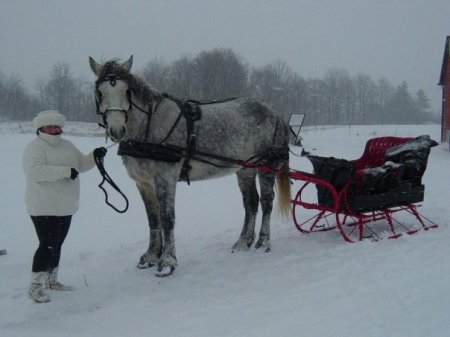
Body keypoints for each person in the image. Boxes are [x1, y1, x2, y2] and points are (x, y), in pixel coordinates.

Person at [22, 110, 107, 303]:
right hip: (42, 206)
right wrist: (64, 172)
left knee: (57, 244)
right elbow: (35, 171)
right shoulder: (35, 147)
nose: (53, 129)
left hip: (65, 206)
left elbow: (81, 165)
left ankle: (52, 281)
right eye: (49, 126)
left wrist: (94, 155)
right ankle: (35, 287)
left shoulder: (67, 146)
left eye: (56, 126)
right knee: (46, 245)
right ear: (40, 128)